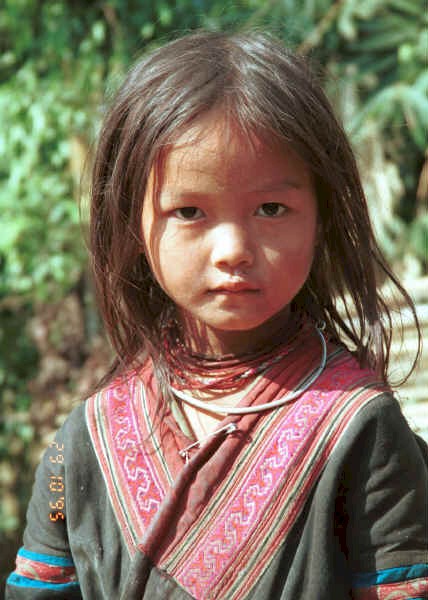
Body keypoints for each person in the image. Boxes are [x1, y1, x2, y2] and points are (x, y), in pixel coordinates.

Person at [6, 30, 428, 600]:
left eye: (271, 208)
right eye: (189, 211)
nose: (233, 248)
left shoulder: (361, 429)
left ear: (321, 217)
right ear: (132, 226)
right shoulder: (83, 439)